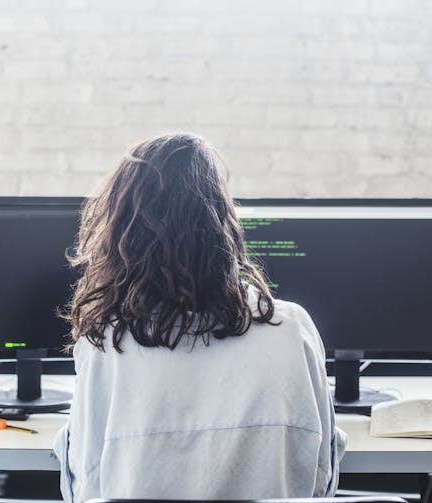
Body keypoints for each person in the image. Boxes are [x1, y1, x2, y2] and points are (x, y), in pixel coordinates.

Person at [54, 132, 346, 503]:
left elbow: (84, 489)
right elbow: (320, 481)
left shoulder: (107, 342)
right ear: (223, 224)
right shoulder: (291, 329)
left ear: (122, 233)